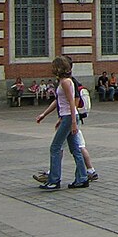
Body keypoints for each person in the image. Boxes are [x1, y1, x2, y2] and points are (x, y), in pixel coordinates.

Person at [35, 55, 89, 190]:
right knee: (75, 149)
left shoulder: (65, 82)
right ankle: (82, 178)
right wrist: (44, 114)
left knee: (55, 147)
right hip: (68, 117)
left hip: (68, 118)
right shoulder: (65, 81)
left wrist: (73, 122)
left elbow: (72, 102)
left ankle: (54, 180)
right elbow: (58, 101)